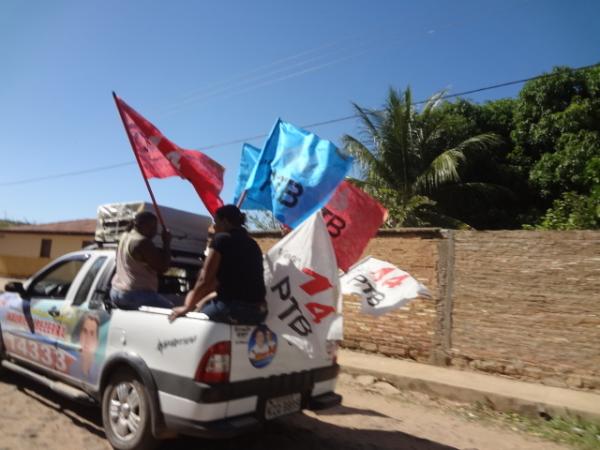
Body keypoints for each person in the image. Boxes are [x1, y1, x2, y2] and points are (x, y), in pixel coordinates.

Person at [169, 204, 267, 324]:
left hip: (232, 309)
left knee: (191, 321)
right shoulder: (253, 244)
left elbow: (205, 279)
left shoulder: (221, 239)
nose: (214, 227)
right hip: (259, 312)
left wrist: (187, 307)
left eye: (216, 222)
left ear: (225, 221)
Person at [110, 211, 174, 309]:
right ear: (139, 224)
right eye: (151, 227)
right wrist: (166, 243)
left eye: (155, 227)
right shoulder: (142, 242)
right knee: (172, 313)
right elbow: (163, 267)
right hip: (135, 294)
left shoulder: (124, 236)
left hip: (116, 291)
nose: (155, 231)